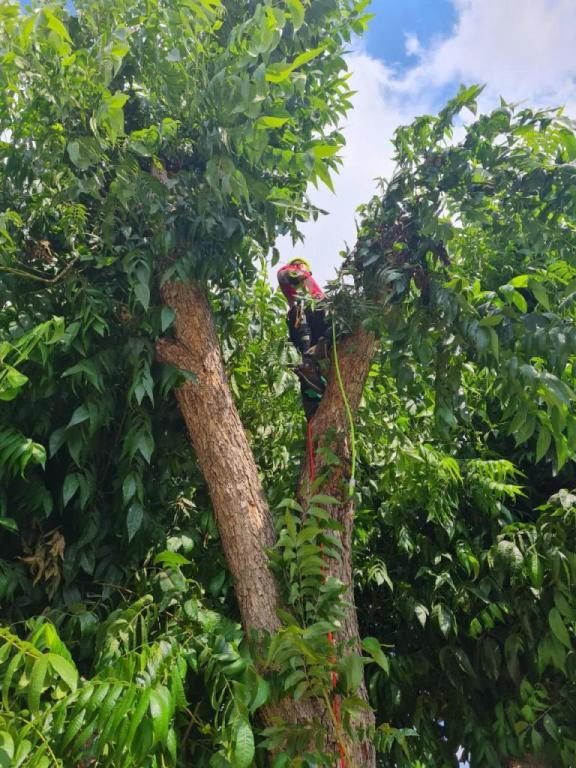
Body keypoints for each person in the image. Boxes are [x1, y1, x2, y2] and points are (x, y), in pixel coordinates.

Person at [277, 258, 329, 418]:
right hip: (304, 317)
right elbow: (283, 275)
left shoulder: (316, 290)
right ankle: (309, 366)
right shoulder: (288, 273)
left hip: (321, 319)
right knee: (307, 363)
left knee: (326, 343)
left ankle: (316, 368)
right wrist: (299, 273)